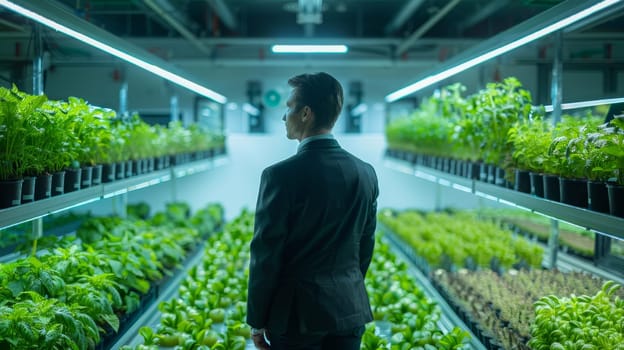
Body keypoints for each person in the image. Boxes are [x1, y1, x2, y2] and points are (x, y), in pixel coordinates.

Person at [246, 72, 379, 350]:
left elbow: (266, 255)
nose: (284, 117)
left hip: (296, 318)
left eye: (289, 107)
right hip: (349, 311)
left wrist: (257, 319)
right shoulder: (365, 173)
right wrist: (346, 290)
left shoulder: (279, 176)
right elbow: (365, 246)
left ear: (306, 113)